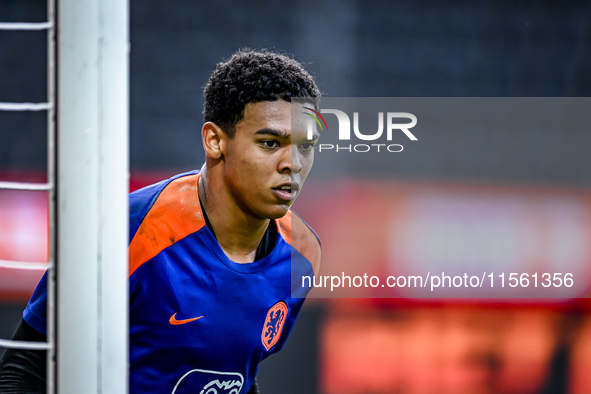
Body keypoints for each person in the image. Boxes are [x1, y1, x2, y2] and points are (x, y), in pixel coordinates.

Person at [0, 48, 322, 394]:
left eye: (306, 146)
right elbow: (22, 372)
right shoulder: (123, 233)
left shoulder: (302, 254)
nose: (293, 163)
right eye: (270, 142)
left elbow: (240, 375)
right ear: (215, 141)